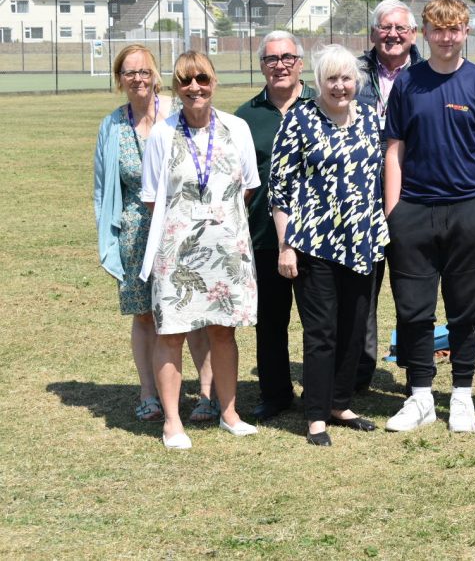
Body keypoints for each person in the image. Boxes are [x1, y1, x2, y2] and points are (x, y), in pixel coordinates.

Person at [382, 0, 475, 433]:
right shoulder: (407, 83)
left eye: (454, 29)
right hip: (413, 211)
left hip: (467, 211)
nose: (446, 37)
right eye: (438, 29)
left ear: (466, 32)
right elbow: (393, 149)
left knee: (463, 310)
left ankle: (461, 395)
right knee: (413, 309)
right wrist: (394, 210)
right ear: (426, 33)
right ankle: (419, 397)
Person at [270, 45, 389, 446]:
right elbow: (280, 189)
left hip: (363, 242)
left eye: (347, 78)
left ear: (358, 82)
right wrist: (286, 246)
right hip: (314, 243)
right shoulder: (300, 119)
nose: (340, 86)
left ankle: (340, 402)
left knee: (356, 327)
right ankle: (316, 415)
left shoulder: (372, 118)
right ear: (319, 82)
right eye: (331, 79)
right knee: (321, 332)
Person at [141, 52, 260, 449]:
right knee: (171, 332)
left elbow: (247, 187)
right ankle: (173, 422)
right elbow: (153, 197)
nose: (195, 87)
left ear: (214, 82)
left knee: (223, 332)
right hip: (177, 251)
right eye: (185, 80)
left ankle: (229, 412)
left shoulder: (237, 128)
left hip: (226, 250)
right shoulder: (162, 132)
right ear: (175, 86)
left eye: (202, 79)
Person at [93, 44, 215, 425]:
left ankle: (207, 395)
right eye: (129, 73)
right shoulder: (112, 127)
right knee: (145, 316)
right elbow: (102, 188)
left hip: (181, 228)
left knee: (192, 313)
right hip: (135, 232)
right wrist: (108, 239)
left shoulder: (178, 117)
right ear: (119, 79)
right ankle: (148, 394)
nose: (138, 78)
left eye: (144, 71)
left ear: (156, 75)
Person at [235, 30, 315, 422]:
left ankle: (324, 392)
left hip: (319, 236)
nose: (279, 64)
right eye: (271, 59)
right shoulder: (244, 118)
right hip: (265, 236)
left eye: (287, 57)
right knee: (270, 321)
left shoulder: (323, 104)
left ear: (300, 62)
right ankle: (275, 393)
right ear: (261, 66)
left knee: (320, 321)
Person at [354, 0, 424, 392]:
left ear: (413, 34)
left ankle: (417, 375)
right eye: (385, 27)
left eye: (400, 28)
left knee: (413, 290)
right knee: (363, 292)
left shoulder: (429, 74)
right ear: (373, 33)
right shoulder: (353, 72)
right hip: (361, 200)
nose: (393, 34)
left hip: (414, 195)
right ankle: (360, 374)